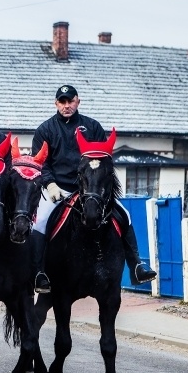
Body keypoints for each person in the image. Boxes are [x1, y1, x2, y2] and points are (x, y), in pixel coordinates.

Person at [31, 85, 157, 293]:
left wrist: (100, 187)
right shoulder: (45, 130)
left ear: (77, 101)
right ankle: (39, 273)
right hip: (58, 189)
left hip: (90, 190)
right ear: (56, 104)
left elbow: (104, 160)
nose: (66, 105)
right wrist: (50, 184)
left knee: (124, 214)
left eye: (70, 101)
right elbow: (41, 163)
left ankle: (137, 265)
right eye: (62, 102)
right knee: (41, 221)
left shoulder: (93, 127)